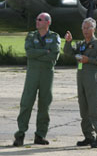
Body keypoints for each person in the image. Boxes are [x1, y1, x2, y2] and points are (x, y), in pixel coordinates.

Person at [13, 12, 61, 146]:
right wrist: (45, 51)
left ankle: (40, 135)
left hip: (46, 74)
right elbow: (29, 53)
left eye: (40, 19)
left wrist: (38, 53)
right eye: (37, 19)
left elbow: (54, 56)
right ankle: (20, 134)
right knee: (26, 103)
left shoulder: (54, 36)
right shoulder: (31, 36)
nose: (37, 21)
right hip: (32, 74)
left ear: (48, 22)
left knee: (44, 105)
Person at [64, 17, 97, 148]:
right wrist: (68, 42)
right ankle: (88, 136)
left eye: (88, 28)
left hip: (92, 78)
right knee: (83, 108)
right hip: (81, 78)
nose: (85, 30)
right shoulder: (81, 44)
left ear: (93, 29)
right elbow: (68, 53)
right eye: (83, 28)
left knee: (94, 108)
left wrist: (88, 59)